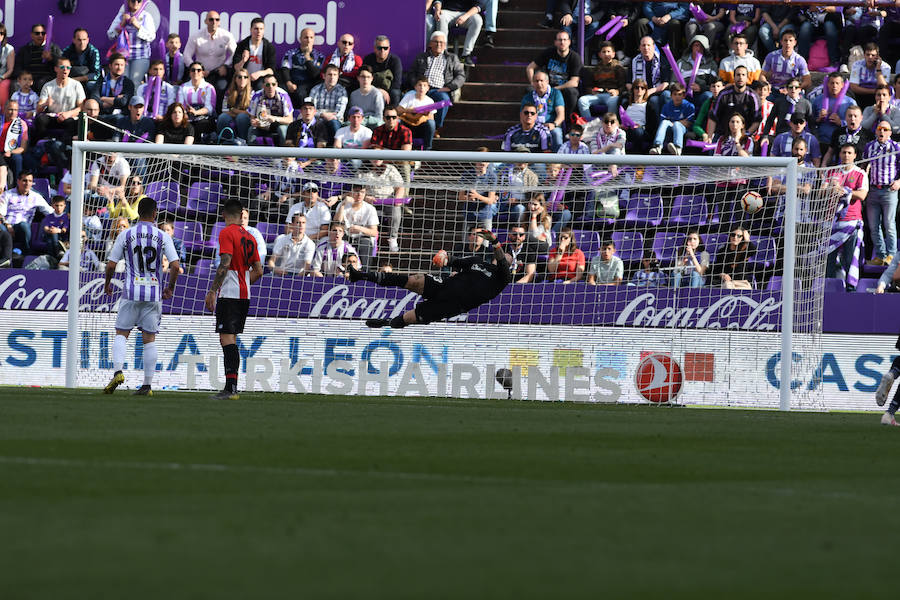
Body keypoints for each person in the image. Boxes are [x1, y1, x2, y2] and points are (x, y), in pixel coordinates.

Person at [351, 230, 511, 329]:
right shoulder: (478, 261)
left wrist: (495, 242)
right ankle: (360, 275)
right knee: (414, 280)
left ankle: (387, 323)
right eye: (505, 253)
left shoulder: (502, 278)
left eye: (508, 256)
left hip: (452, 305)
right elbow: (453, 260)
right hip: (445, 286)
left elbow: (502, 262)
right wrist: (444, 257)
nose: (505, 256)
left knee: (409, 318)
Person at [102, 197, 180, 396]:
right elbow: (175, 265)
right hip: (153, 293)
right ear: (155, 214)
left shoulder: (126, 234)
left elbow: (111, 264)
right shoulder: (163, 236)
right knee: (149, 339)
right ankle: (146, 385)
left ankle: (118, 372)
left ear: (138, 213)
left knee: (122, 333)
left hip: (131, 291)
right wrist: (169, 287)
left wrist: (107, 283)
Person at [204, 198, 263, 400]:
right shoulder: (250, 237)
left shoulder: (226, 232)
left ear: (223, 215)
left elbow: (225, 262)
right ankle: (232, 386)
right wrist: (244, 282)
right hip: (244, 295)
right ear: (240, 216)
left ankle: (231, 388)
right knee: (230, 338)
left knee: (226, 338)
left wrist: (213, 290)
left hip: (230, 293)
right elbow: (259, 271)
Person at [824, 144, 868, 290]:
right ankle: (828, 290)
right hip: (831, 223)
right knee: (828, 260)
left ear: (855, 155)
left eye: (849, 153)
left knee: (850, 260)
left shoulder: (860, 173)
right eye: (844, 152)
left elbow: (862, 195)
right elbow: (821, 193)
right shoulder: (832, 172)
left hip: (851, 222)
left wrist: (845, 190)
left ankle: (851, 292)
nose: (846, 155)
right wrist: (830, 187)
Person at [862, 121, 900, 266]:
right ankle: (880, 256)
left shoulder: (896, 147)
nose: (882, 132)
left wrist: (899, 182)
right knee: (873, 226)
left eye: (885, 129)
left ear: (890, 132)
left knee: (889, 224)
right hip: (873, 190)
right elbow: (864, 165)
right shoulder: (869, 147)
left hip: (888, 190)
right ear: (876, 131)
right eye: (879, 129)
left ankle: (891, 255)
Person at [410, 31, 465, 131]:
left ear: (445, 45)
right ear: (430, 43)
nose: (439, 44)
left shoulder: (451, 58)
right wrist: (416, 85)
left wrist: (449, 87)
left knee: (444, 99)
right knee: (406, 98)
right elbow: (412, 73)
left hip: (439, 90)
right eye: (436, 42)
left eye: (441, 42)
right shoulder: (422, 57)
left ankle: (435, 128)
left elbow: (461, 76)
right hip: (420, 88)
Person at [526, 30, 582, 119]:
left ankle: (567, 120)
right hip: (546, 86)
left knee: (572, 92)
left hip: (563, 88)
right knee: (529, 90)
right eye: (559, 40)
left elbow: (574, 82)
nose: (562, 42)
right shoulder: (549, 53)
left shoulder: (575, 57)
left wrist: (555, 89)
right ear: (555, 42)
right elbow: (530, 68)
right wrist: (534, 83)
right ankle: (533, 119)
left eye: (564, 40)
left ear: (569, 42)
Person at [182, 10, 235, 99]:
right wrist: (197, 70)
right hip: (200, 74)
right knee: (188, 91)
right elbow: (186, 55)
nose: (214, 22)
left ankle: (218, 112)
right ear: (205, 21)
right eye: (211, 19)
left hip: (218, 73)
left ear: (219, 22)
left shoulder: (227, 36)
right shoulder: (196, 36)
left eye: (217, 20)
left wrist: (225, 66)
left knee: (221, 88)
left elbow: (235, 53)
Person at [33, 57, 85, 143]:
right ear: (56, 69)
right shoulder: (48, 86)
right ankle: (43, 143)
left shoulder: (77, 85)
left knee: (74, 123)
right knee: (40, 119)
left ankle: (65, 145)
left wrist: (68, 114)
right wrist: (45, 104)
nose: (65, 70)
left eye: (68, 67)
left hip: (69, 117)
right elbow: (38, 109)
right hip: (53, 116)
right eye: (62, 67)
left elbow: (81, 108)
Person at [106, 0, 158, 85]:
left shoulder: (146, 16)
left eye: (139, 1)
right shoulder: (121, 16)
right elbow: (110, 35)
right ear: (128, 2)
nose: (136, 3)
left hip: (140, 56)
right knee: (122, 82)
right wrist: (121, 24)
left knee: (134, 83)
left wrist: (137, 25)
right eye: (133, 0)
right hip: (122, 56)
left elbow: (151, 37)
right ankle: (122, 99)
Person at [0, 171, 51, 254]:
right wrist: (7, 225)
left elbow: (49, 212)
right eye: (24, 180)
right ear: (18, 181)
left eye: (30, 181)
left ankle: (26, 253)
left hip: (23, 229)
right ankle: (4, 257)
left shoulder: (36, 197)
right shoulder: (7, 194)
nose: (27, 183)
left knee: (23, 225)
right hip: (6, 226)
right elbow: (0, 213)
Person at [706, 65, 760, 140]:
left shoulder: (753, 96)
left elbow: (757, 121)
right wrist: (709, 137)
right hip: (722, 135)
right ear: (733, 77)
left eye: (743, 75)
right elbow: (713, 117)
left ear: (747, 78)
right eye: (738, 75)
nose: (740, 77)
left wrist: (745, 135)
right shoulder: (724, 94)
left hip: (744, 135)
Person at [577, 41, 626, 120]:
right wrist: (591, 91)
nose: (606, 54)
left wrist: (617, 91)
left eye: (608, 51)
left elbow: (623, 85)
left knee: (614, 101)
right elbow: (589, 85)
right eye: (604, 52)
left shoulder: (618, 68)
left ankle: (609, 123)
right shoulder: (596, 69)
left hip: (611, 95)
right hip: (598, 95)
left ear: (613, 54)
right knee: (582, 100)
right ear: (600, 54)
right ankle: (588, 124)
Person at [335, 184, 379, 268]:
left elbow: (374, 232)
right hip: (345, 236)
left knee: (365, 245)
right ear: (350, 192)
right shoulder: (342, 205)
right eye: (356, 191)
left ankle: (365, 275)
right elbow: (336, 223)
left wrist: (360, 229)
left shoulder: (370, 209)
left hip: (362, 237)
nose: (359, 195)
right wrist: (343, 205)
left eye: (362, 192)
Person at [628, 36, 671, 118]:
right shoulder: (634, 61)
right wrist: (636, 92)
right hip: (638, 91)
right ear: (640, 47)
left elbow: (665, 83)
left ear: (653, 47)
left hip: (656, 91)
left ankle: (658, 126)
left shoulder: (662, 60)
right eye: (643, 45)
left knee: (654, 100)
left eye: (648, 45)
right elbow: (628, 82)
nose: (646, 48)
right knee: (625, 100)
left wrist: (650, 92)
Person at [280, 27, 324, 106]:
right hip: (292, 81)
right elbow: (285, 69)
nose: (308, 40)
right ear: (300, 39)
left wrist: (307, 57)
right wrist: (288, 82)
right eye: (306, 37)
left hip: (308, 83)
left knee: (301, 93)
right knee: (280, 89)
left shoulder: (319, 56)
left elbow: (315, 74)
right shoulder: (291, 53)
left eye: (311, 38)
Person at [811, 72, 856, 149]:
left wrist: (841, 122)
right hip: (821, 142)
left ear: (842, 85)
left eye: (837, 83)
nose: (834, 86)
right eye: (832, 83)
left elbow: (856, 123)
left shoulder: (850, 102)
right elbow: (811, 121)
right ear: (827, 84)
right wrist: (819, 119)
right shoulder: (817, 100)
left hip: (841, 143)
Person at [431, 0, 484, 66]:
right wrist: (437, 10)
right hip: (447, 12)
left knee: (477, 20)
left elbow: (478, 6)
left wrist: (465, 16)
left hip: (466, 13)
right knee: (441, 17)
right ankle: (443, 53)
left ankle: (465, 55)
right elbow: (438, 1)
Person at [13, 23, 61, 92]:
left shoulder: (54, 48)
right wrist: (24, 77)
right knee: (15, 84)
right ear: (32, 35)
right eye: (37, 33)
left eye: (43, 33)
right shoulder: (25, 50)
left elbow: (62, 65)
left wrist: (51, 58)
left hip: (46, 79)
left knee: (42, 83)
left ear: (46, 35)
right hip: (28, 78)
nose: (40, 36)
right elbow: (17, 67)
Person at [524, 70, 564, 151]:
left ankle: (558, 161)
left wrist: (554, 124)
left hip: (551, 126)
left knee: (556, 133)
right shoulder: (528, 97)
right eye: (536, 81)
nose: (539, 83)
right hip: (534, 126)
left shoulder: (556, 93)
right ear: (533, 83)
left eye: (541, 81)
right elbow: (523, 115)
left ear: (547, 81)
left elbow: (561, 115)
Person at [650, 82, 694, 155]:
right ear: (671, 96)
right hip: (670, 128)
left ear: (684, 96)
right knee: (664, 122)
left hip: (683, 129)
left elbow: (688, 123)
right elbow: (663, 122)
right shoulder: (666, 106)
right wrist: (680, 121)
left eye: (680, 94)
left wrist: (674, 123)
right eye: (675, 94)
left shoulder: (689, 106)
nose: (677, 97)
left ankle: (678, 147)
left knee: (677, 124)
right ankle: (657, 146)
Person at [232, 17, 276, 91]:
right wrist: (243, 60)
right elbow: (236, 68)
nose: (258, 31)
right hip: (244, 77)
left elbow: (271, 70)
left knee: (260, 87)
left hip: (260, 78)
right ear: (251, 29)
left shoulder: (269, 46)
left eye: (261, 29)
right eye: (256, 29)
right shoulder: (242, 45)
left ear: (264, 30)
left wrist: (259, 74)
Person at [247, 74, 293, 145]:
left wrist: (274, 118)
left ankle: (285, 154)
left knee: (282, 129)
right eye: (268, 85)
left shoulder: (284, 95)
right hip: (261, 125)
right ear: (263, 86)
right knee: (251, 130)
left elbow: (290, 119)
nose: (271, 87)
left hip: (278, 124)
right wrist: (255, 122)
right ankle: (250, 154)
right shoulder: (256, 96)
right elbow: (252, 117)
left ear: (276, 85)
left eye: (273, 84)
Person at [178, 61, 217, 139]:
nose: (196, 72)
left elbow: (209, 108)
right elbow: (180, 105)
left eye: (198, 70)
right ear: (189, 72)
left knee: (201, 125)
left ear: (203, 73)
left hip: (204, 117)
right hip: (187, 115)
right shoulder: (183, 87)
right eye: (193, 70)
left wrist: (196, 112)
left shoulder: (209, 87)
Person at [310, 64, 348, 137]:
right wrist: (322, 115)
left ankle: (337, 147)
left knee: (334, 123)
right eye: (329, 74)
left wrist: (327, 116)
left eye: (335, 75)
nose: (332, 77)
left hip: (334, 120)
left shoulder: (342, 91)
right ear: (324, 76)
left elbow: (339, 112)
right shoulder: (315, 89)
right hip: (318, 119)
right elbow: (311, 109)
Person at [362, 35, 402, 105]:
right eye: (379, 48)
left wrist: (386, 92)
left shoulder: (395, 60)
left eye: (385, 48)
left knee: (395, 93)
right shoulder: (368, 59)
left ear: (389, 49)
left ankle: (393, 114)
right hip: (372, 88)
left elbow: (397, 83)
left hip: (390, 90)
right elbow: (364, 78)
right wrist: (378, 90)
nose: (382, 51)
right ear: (374, 48)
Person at [849, 43, 891, 110]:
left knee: (882, 95)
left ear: (877, 56)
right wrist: (873, 91)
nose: (870, 57)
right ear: (864, 55)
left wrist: (878, 69)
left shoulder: (885, 67)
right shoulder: (856, 65)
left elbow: (884, 87)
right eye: (867, 55)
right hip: (860, 95)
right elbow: (854, 87)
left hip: (877, 97)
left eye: (873, 55)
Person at [397, 79, 436, 150]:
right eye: (419, 85)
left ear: (428, 88)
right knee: (398, 122)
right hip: (408, 123)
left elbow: (431, 118)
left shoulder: (430, 101)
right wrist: (412, 110)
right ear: (415, 87)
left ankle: (427, 148)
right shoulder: (409, 97)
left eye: (424, 86)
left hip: (421, 126)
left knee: (431, 123)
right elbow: (398, 110)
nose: (422, 88)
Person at [216, 68, 252, 141]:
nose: (242, 79)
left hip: (245, 120)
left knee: (241, 117)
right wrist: (239, 113)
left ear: (248, 80)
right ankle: (225, 141)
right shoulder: (228, 92)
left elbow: (250, 113)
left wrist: (233, 110)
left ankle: (243, 141)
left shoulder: (253, 94)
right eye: (239, 77)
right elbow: (224, 110)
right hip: (230, 117)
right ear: (235, 79)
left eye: (245, 77)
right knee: (223, 117)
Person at [620, 79, 655, 151]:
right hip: (626, 129)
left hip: (641, 130)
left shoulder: (648, 106)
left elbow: (653, 125)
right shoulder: (626, 104)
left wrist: (641, 127)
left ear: (645, 90)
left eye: (642, 88)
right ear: (633, 89)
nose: (639, 90)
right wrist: (621, 125)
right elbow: (618, 118)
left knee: (637, 132)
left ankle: (637, 157)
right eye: (637, 87)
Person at [0, 23, 15, 108]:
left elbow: (10, 70)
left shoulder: (9, 49)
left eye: (1, 33)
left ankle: (2, 116)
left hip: (3, 78)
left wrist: (1, 77)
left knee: (4, 85)